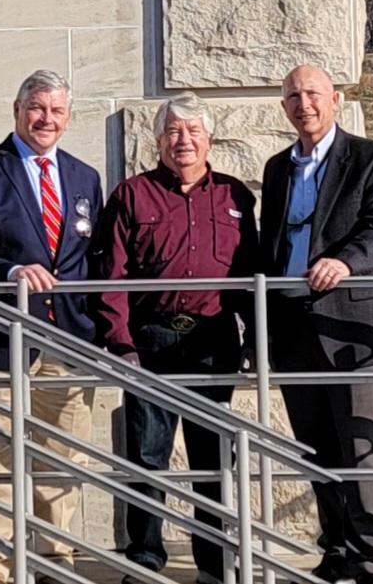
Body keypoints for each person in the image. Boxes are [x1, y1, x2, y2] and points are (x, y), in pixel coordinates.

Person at [90, 92, 258, 584]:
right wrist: (119, 343)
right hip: (151, 341)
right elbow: (110, 276)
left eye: (193, 132)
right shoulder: (131, 195)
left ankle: (215, 563)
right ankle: (144, 561)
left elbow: (250, 272)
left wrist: (254, 338)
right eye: (173, 132)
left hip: (213, 341)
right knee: (147, 455)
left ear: (208, 139)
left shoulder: (234, 196)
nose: (183, 141)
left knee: (213, 459)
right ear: (158, 140)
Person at [0, 70, 104, 584]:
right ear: (16, 110)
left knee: (63, 459)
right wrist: (11, 272)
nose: (46, 119)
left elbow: (92, 259)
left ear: (69, 117)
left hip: (68, 339)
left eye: (57, 111)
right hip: (1, 338)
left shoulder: (84, 178)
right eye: (37, 108)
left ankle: (55, 559)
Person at [260, 65, 373, 584]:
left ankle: (371, 561)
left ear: (336, 99)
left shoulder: (372, 159)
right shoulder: (278, 169)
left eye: (314, 94)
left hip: (353, 329)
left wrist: (345, 262)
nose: (305, 104)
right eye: (294, 96)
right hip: (294, 329)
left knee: (362, 451)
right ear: (284, 108)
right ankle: (336, 552)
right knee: (316, 450)